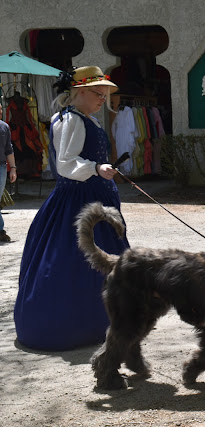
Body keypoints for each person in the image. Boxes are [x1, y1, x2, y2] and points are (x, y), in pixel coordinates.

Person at [14, 66, 130, 351]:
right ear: (78, 92)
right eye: (98, 93)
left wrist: (99, 169)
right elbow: (66, 164)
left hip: (94, 196)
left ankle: (110, 320)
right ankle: (76, 325)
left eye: (105, 94)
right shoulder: (69, 120)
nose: (103, 98)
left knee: (105, 260)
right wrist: (95, 167)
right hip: (78, 202)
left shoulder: (85, 118)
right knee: (74, 260)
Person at [0, 104, 18, 242]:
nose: (0, 112)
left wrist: (13, 168)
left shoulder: (4, 127)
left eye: (0, 109)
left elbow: (9, 149)